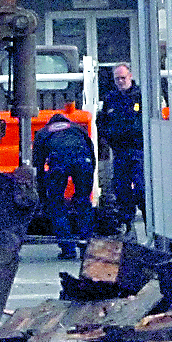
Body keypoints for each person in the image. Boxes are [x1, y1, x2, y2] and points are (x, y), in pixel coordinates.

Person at [31, 112, 95, 259]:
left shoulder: (43, 133)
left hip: (59, 165)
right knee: (83, 203)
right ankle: (86, 248)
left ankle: (68, 249)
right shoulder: (78, 129)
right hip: (83, 162)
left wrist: (42, 197)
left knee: (56, 204)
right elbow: (92, 155)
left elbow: (38, 167)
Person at [98, 62, 145, 233]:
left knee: (141, 188)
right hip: (119, 151)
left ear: (130, 76)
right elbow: (102, 123)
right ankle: (128, 227)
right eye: (117, 78)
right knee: (121, 190)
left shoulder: (141, 96)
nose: (120, 81)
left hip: (139, 150)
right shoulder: (110, 99)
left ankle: (149, 225)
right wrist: (108, 137)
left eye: (123, 78)